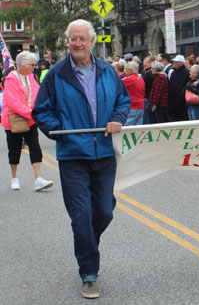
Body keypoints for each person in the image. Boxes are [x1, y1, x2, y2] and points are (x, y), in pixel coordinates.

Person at [32, 19, 131, 299]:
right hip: (73, 155)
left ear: (92, 41)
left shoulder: (107, 71)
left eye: (82, 39)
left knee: (103, 211)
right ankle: (89, 273)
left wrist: (116, 119)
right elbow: (41, 111)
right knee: (81, 216)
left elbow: (123, 101)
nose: (77, 43)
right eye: (73, 39)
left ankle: (87, 241)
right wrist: (61, 131)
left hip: (104, 153)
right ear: (67, 41)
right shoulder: (56, 74)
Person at [1, 51, 53, 191]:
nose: (34, 66)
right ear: (22, 66)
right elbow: (13, 102)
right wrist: (32, 113)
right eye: (32, 64)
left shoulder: (30, 77)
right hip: (14, 120)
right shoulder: (11, 79)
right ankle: (14, 177)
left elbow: (37, 94)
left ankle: (38, 179)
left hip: (30, 119)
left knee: (35, 147)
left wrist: (40, 109)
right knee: (14, 149)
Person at [167, 55, 189, 122]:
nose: (174, 63)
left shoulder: (186, 73)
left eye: (176, 62)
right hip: (172, 102)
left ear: (181, 63)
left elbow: (186, 86)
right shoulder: (173, 72)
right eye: (174, 62)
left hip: (182, 103)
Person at [122, 61, 145, 125]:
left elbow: (117, 85)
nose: (126, 70)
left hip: (133, 105)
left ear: (130, 70)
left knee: (128, 127)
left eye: (126, 68)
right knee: (138, 128)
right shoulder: (141, 79)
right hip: (141, 105)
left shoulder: (128, 79)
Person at [142, 55, 156, 124]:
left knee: (147, 116)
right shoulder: (146, 72)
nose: (144, 64)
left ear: (151, 63)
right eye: (144, 62)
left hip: (148, 97)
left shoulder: (148, 73)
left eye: (146, 62)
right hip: (149, 97)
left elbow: (143, 85)